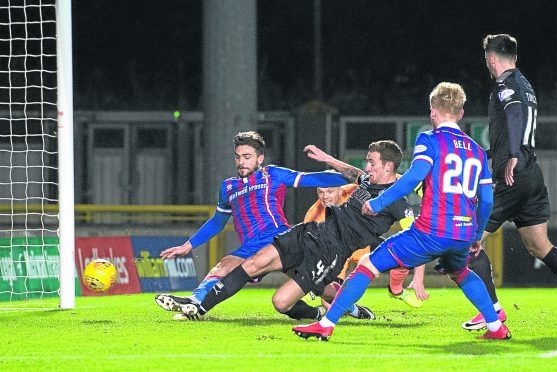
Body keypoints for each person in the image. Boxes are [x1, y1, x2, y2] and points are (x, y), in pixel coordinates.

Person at [292, 82, 511, 341]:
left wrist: (377, 202)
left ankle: (325, 325)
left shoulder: (430, 139)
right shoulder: (475, 149)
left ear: (432, 111)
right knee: (461, 271)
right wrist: (476, 234)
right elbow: (486, 200)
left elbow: (412, 177)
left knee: (368, 264)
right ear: (461, 113)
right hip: (463, 231)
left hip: (432, 229)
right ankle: (496, 327)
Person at [463, 34, 557, 334]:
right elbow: (513, 126)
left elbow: (515, 114)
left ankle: (491, 311)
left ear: (492, 58)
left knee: (466, 240)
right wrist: (493, 153)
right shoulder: (526, 85)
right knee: (539, 245)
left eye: (486, 58)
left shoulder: (505, 85)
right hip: (531, 174)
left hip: (511, 176)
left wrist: (511, 155)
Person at [177, 140, 414, 322]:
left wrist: (418, 278)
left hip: (332, 252)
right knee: (251, 264)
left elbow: (415, 236)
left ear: (389, 166)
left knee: (281, 302)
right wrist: (326, 158)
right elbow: (351, 173)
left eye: (371, 162)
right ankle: (199, 308)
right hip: (309, 232)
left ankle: (330, 313)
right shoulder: (367, 181)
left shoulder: (397, 200)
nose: (366, 166)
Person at [154, 131, 351, 320]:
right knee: (222, 267)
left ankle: (353, 308)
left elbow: (315, 178)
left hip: (280, 240)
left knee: (320, 286)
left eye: (247, 156)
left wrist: (354, 175)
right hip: (250, 247)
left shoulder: (272, 174)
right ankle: (194, 301)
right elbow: (217, 222)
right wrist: (187, 246)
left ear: (260, 158)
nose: (241, 162)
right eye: (237, 157)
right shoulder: (228, 187)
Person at [305, 185, 428, 309]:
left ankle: (395, 290)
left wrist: (418, 185)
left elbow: (384, 178)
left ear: (341, 190)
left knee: (403, 258)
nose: (325, 196)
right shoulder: (313, 215)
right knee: (331, 301)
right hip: (339, 251)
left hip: (364, 243)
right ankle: (357, 311)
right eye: (320, 192)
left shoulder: (356, 189)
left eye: (329, 191)